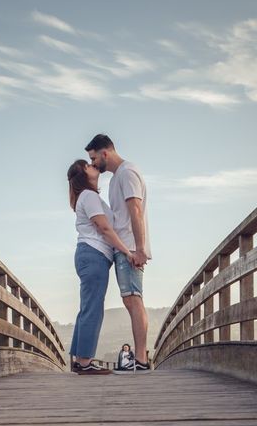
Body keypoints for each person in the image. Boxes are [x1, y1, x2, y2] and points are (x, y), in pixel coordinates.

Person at [85, 134, 151, 372]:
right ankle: (140, 359)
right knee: (129, 299)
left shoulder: (127, 172)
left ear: (105, 153)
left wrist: (140, 248)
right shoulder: (115, 180)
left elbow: (135, 208)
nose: (92, 164)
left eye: (93, 159)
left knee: (134, 299)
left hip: (131, 247)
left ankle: (142, 360)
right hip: (124, 247)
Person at [67, 159, 136, 375]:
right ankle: (85, 362)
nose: (92, 165)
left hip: (90, 256)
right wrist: (127, 251)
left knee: (88, 307)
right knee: (93, 309)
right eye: (87, 165)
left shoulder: (86, 197)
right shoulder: (89, 196)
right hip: (94, 255)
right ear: (82, 174)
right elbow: (105, 228)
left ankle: (80, 360)